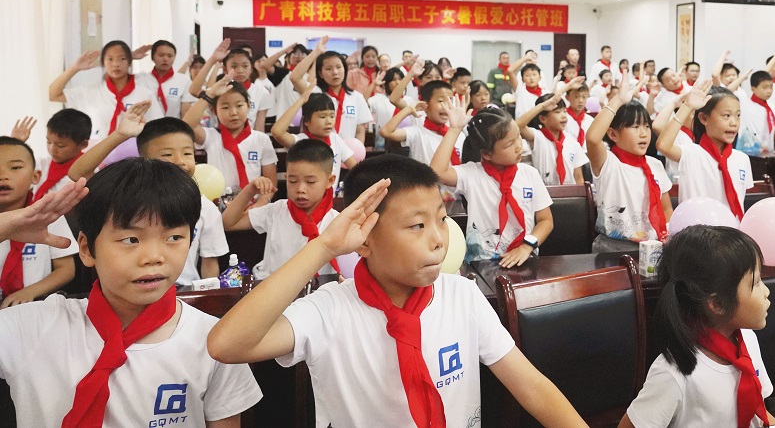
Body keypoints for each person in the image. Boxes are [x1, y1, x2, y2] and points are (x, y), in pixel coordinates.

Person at [207, 155, 586, 428]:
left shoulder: (462, 296)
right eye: (417, 226)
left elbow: (531, 386)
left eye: (441, 220)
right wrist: (323, 247)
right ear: (364, 239)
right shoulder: (329, 310)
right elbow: (227, 345)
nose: (438, 239)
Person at [0, 159, 262, 426]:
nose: (154, 257)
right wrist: (5, 226)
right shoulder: (35, 328)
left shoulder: (215, 342)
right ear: (87, 249)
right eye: (131, 240)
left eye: (174, 237)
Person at [622, 225, 775, 428]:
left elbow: (758, 412)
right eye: (755, 283)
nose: (766, 291)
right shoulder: (674, 373)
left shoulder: (747, 339)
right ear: (718, 304)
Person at [72, 111, 231, 286]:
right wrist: (120, 135)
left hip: (184, 290)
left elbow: (210, 262)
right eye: (167, 155)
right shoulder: (123, 198)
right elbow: (77, 174)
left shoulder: (205, 207)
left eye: (187, 153)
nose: (180, 161)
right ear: (144, 159)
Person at [431, 106, 554, 266]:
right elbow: (437, 172)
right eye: (509, 144)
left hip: (525, 258)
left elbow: (546, 220)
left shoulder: (530, 174)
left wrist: (526, 246)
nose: (519, 146)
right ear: (487, 154)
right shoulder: (472, 174)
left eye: (518, 136)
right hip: (483, 262)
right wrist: (454, 129)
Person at [222, 140, 360, 281]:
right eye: (293, 181)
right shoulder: (276, 211)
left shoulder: (337, 222)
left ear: (330, 181)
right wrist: (249, 191)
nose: (300, 189)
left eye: (310, 182)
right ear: (286, 178)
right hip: (270, 286)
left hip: (317, 290)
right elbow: (228, 223)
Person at [587, 76, 672, 252]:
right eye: (635, 127)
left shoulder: (655, 165)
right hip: (613, 247)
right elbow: (593, 138)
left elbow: (666, 208)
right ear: (613, 134)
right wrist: (618, 99)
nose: (644, 134)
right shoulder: (609, 163)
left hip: (654, 245)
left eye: (646, 126)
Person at [656, 83, 754, 221]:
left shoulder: (742, 159)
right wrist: (687, 106)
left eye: (738, 115)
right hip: (697, 231)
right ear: (704, 118)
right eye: (726, 115)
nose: (734, 122)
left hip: (733, 230)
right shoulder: (691, 153)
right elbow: (663, 145)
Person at [0, 137, 77, 308]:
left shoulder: (48, 215)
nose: (3, 176)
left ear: (35, 176)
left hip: (36, 304)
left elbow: (66, 269)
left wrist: (30, 292)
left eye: (15, 168)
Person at [49, 41, 164, 142]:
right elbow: (54, 94)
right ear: (103, 62)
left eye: (122, 59)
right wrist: (74, 68)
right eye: (110, 59)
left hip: (134, 154)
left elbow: (159, 128)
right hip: (98, 154)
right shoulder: (91, 91)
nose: (116, 64)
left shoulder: (144, 94)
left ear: (129, 62)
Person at [182, 72, 278, 193]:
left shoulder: (261, 139)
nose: (233, 113)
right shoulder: (211, 136)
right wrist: (210, 94)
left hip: (254, 202)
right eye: (225, 107)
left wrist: (260, 203)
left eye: (239, 106)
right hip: (219, 201)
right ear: (214, 111)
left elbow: (271, 183)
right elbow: (186, 126)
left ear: (249, 105)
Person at [271, 87, 357, 188]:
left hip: (331, 197)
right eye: (322, 117)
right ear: (306, 121)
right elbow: (277, 132)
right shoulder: (300, 142)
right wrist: (301, 100)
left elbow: (356, 168)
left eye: (332, 116)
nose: (329, 121)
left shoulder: (335, 139)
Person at [516, 79, 588, 187]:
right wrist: (542, 106)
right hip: (545, 192)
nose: (563, 116)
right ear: (542, 118)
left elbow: (578, 177)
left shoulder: (572, 142)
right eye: (557, 112)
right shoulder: (537, 137)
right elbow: (517, 126)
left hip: (570, 194)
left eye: (564, 111)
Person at [9, 109, 92, 202]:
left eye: (61, 145)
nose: (52, 149)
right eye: (48, 142)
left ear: (83, 144)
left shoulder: (88, 172)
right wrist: (15, 144)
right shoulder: (43, 163)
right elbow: (12, 170)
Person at [381, 80, 461, 166]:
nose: (447, 106)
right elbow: (386, 132)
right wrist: (408, 110)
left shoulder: (457, 134)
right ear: (425, 104)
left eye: (450, 101)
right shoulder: (417, 133)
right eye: (441, 101)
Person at [136, 39, 195, 118]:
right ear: (153, 57)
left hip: (173, 124)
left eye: (170, 56)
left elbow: (186, 112)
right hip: (146, 124)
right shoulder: (140, 79)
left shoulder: (184, 81)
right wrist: (131, 56)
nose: (165, 59)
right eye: (161, 55)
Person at [738, 72, 775, 158]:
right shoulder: (744, 105)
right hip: (748, 152)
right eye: (764, 87)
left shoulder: (772, 107)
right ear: (753, 89)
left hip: (768, 153)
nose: (769, 91)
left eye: (771, 87)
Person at [370, 67, 404, 150]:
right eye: (394, 80)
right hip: (382, 144)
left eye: (400, 79)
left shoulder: (409, 100)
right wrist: (374, 84)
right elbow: (363, 101)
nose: (398, 82)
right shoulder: (379, 99)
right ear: (387, 83)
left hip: (405, 144)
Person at [564, 81, 592, 148]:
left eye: (584, 97)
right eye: (576, 97)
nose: (581, 101)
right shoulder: (563, 118)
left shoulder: (590, 120)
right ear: (567, 97)